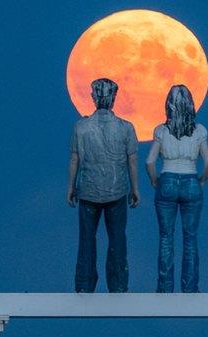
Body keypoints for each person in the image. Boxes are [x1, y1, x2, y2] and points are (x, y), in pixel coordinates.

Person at [68, 78, 141, 293]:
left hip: (88, 190)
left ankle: (84, 285)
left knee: (87, 239)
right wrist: (135, 188)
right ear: (113, 98)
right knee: (117, 238)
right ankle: (118, 285)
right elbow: (133, 160)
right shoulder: (126, 128)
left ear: (93, 97)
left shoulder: (81, 127)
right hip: (117, 190)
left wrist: (70, 186)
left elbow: (75, 159)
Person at [146, 85, 208, 293]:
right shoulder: (199, 131)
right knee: (190, 237)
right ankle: (190, 288)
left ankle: (165, 287)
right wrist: (200, 181)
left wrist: (155, 180)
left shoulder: (161, 131)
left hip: (166, 179)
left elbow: (149, 161)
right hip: (191, 180)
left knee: (166, 236)